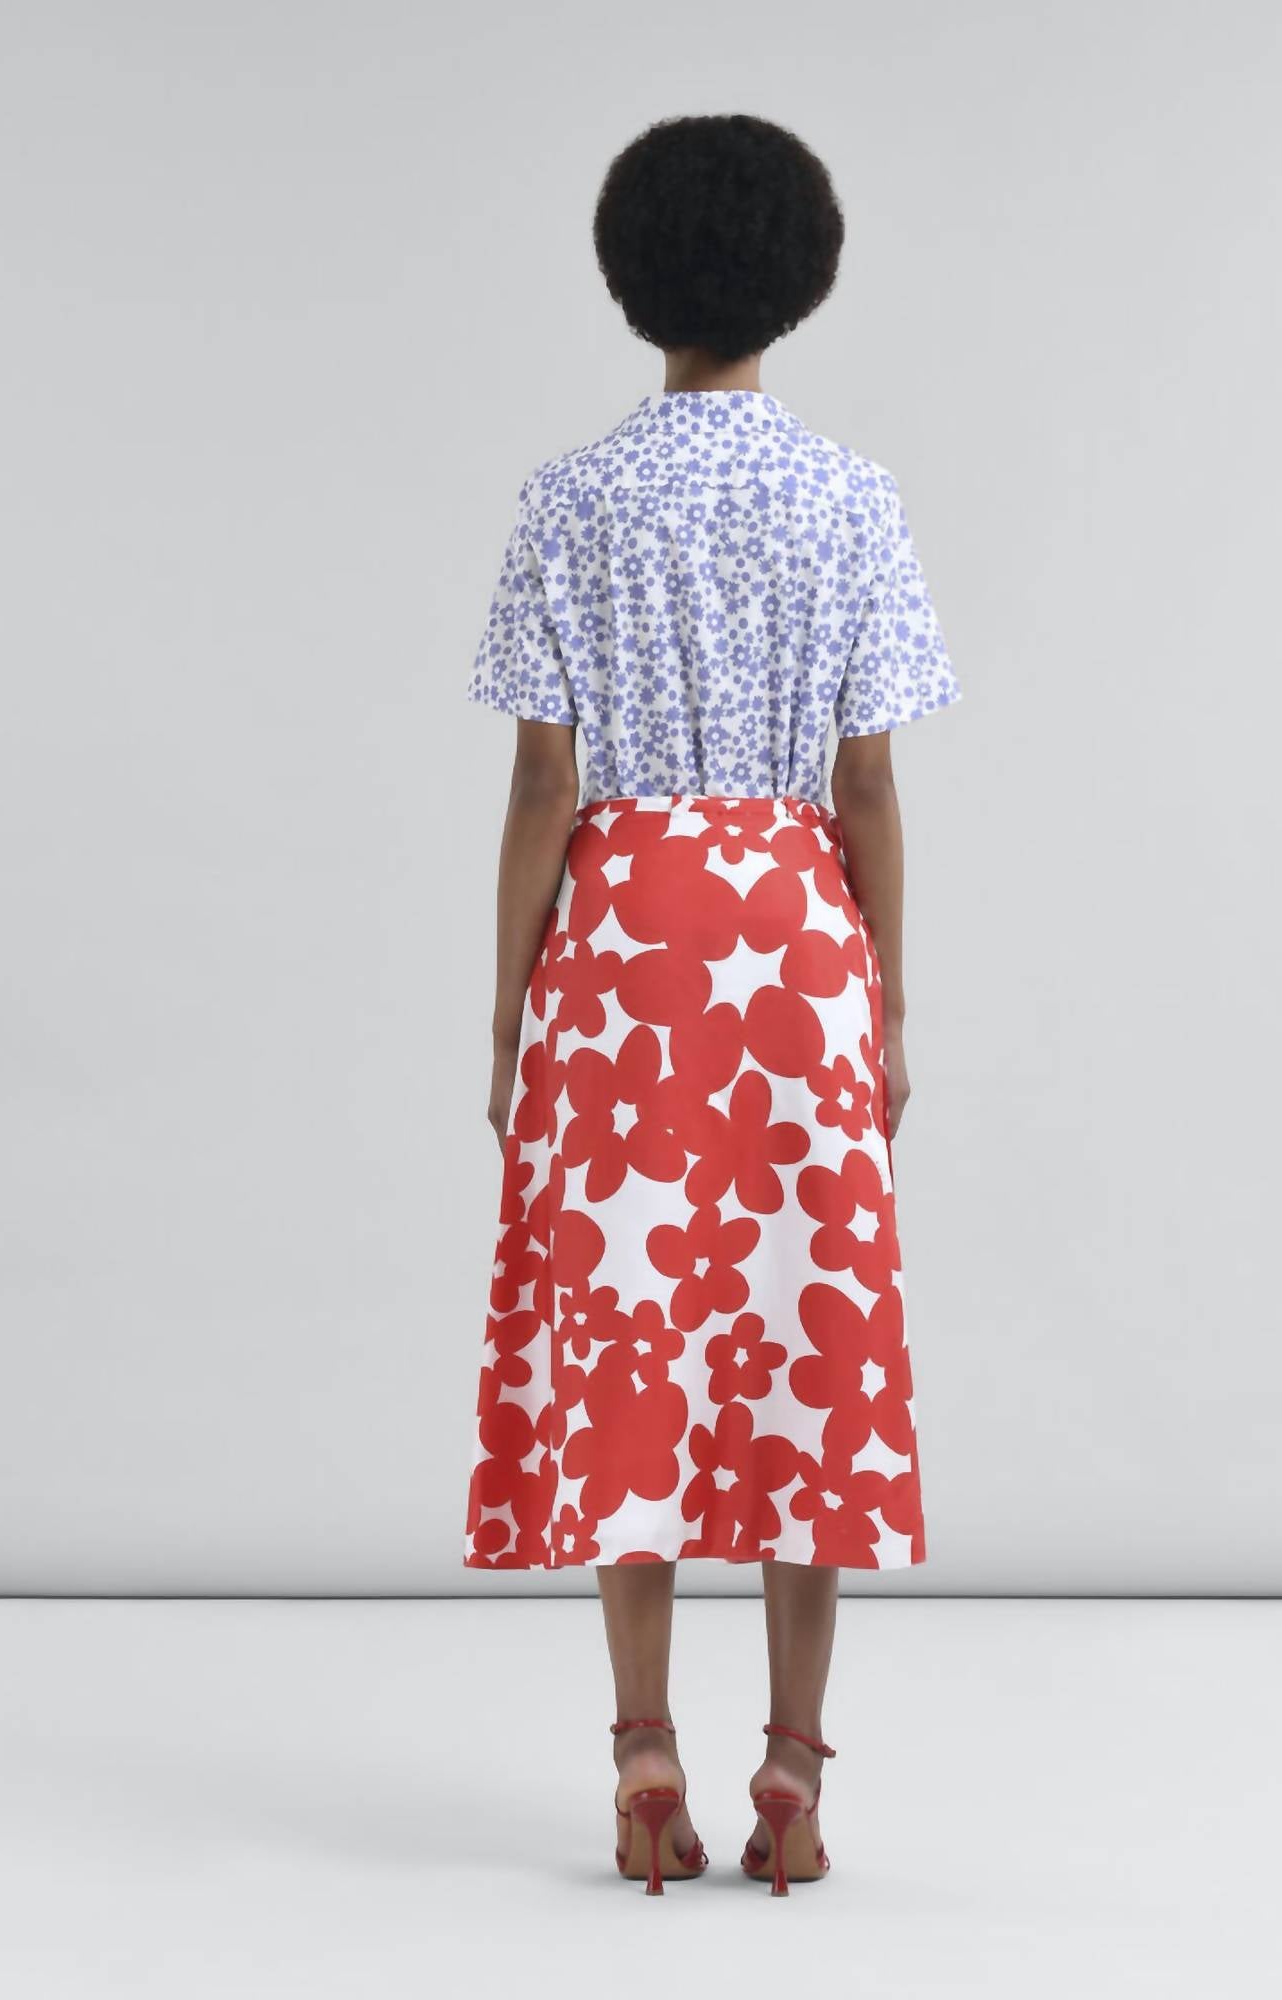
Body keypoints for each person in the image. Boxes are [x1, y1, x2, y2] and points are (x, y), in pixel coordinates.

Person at [462, 112, 961, 1895]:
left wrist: (509, 1011)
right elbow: (868, 787)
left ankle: (642, 1757)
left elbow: (544, 784)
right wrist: (885, 1006)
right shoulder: (853, 496)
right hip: (797, 946)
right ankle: (796, 1774)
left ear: (631, 277)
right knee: (803, 1344)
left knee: (633, 1334)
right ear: (801, 278)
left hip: (624, 946)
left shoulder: (570, 496)